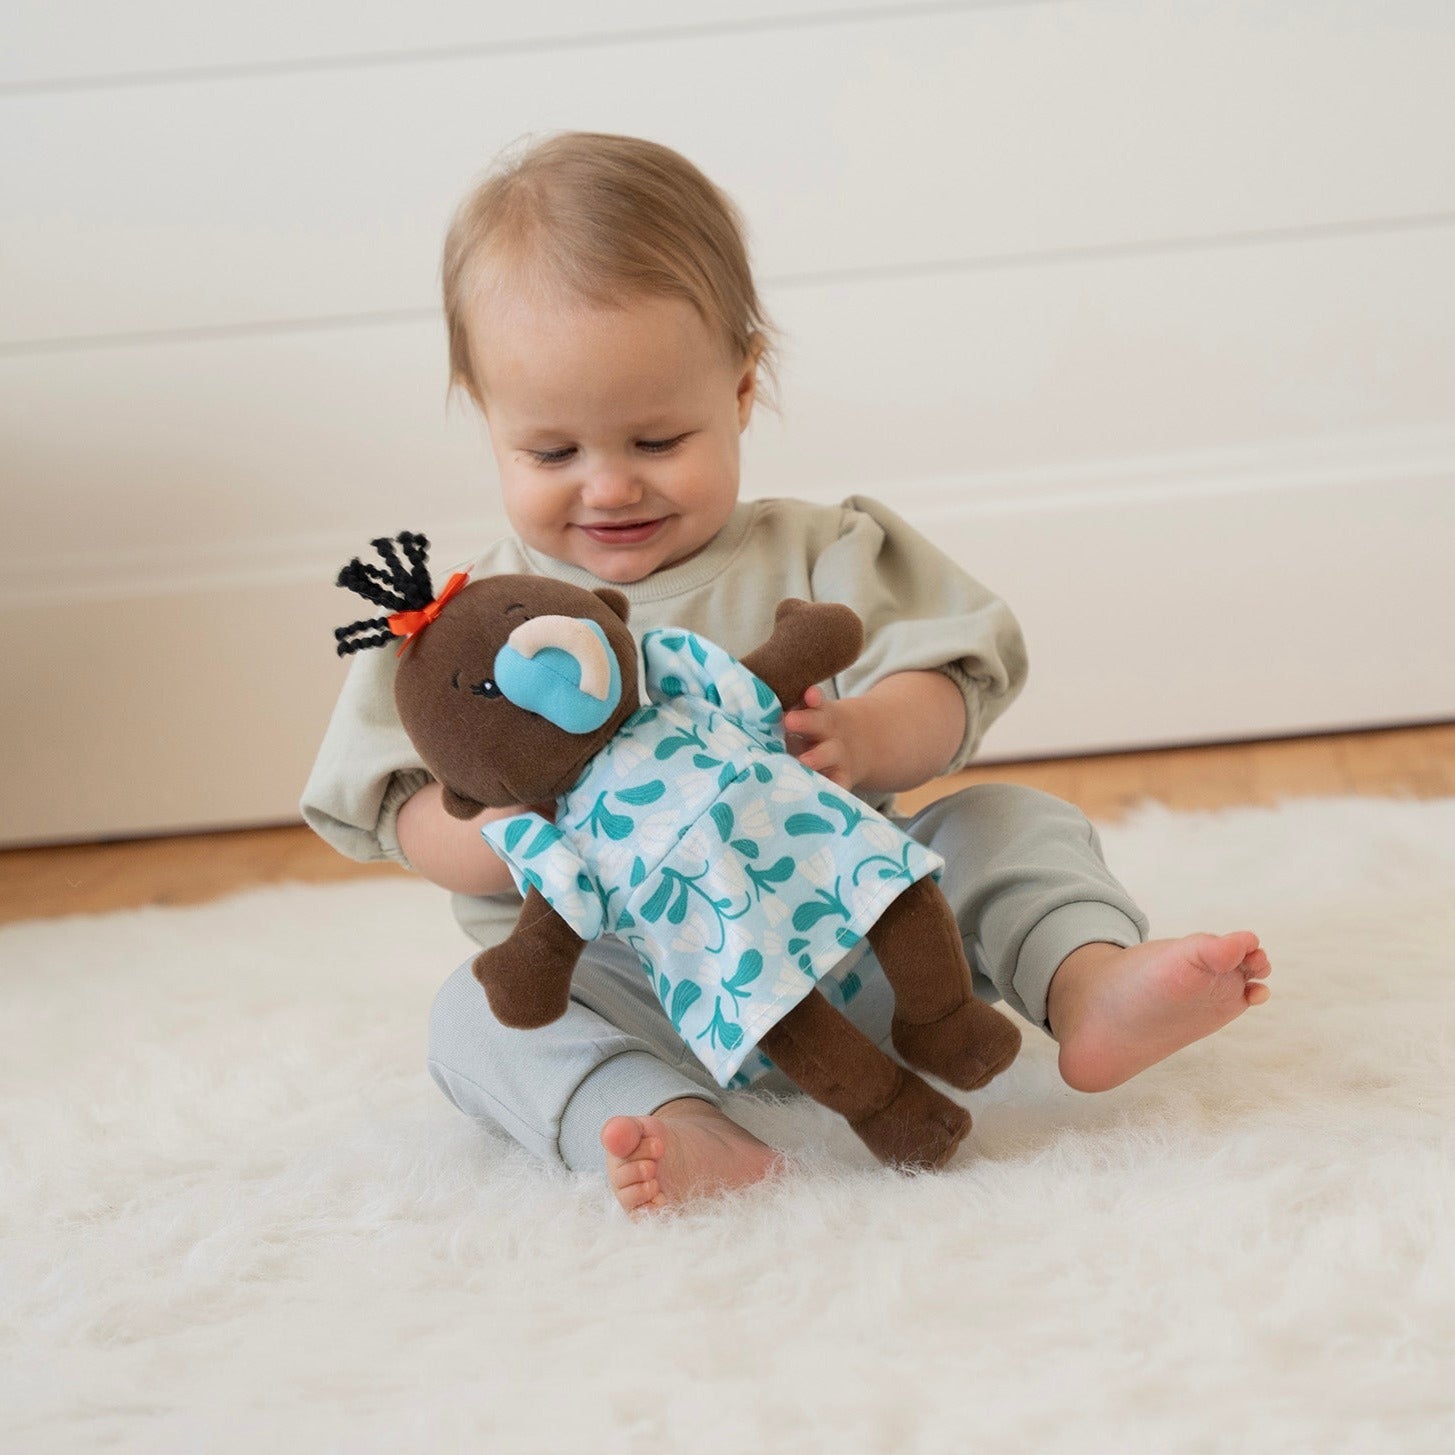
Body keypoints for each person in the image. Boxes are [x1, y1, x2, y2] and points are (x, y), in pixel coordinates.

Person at [302, 131, 1272, 1216]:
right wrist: (503, 839)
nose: (610, 486)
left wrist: (870, 736)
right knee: (471, 1023)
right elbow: (395, 806)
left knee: (1010, 822)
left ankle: (1088, 984)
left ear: (743, 388)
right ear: (488, 418)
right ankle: (672, 1124)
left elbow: (955, 676)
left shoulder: (820, 554)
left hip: (870, 941)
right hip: (635, 979)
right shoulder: (461, 633)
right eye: (553, 454)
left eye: (659, 438)